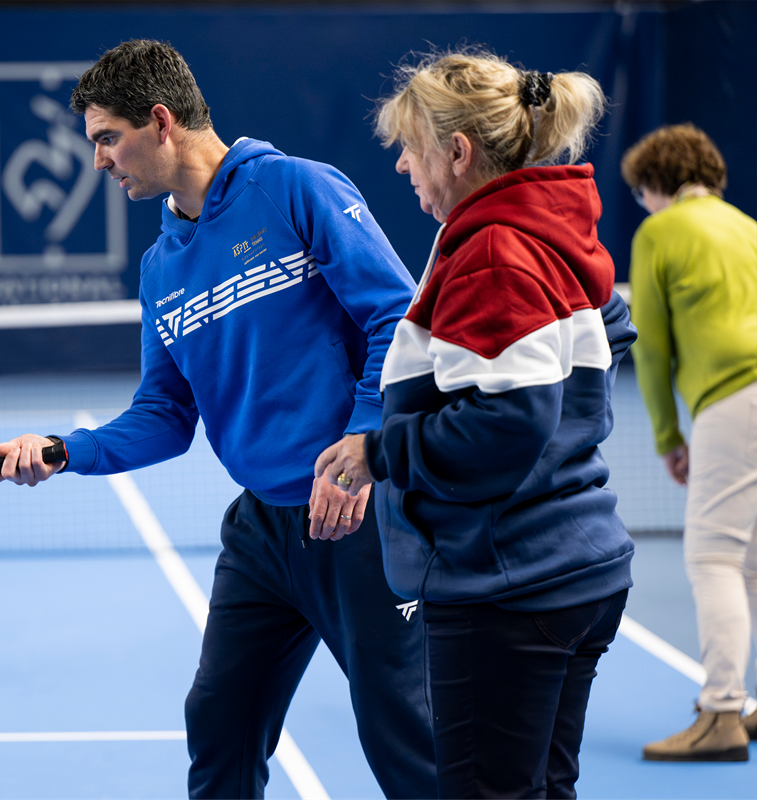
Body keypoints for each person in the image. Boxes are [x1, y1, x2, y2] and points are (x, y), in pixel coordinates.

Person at [0, 39, 435, 800]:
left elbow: (398, 316)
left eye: (106, 138)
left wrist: (361, 442)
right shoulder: (162, 268)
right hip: (262, 534)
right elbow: (163, 415)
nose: (98, 161)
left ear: (159, 122)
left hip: (360, 521)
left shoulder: (296, 190)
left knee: (406, 740)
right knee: (219, 722)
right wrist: (66, 449)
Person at [315, 51, 637, 798]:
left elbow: (505, 423)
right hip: (571, 562)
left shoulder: (492, 250)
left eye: (411, 146)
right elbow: (607, 332)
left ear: (456, 153)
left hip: (509, 583)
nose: (401, 165)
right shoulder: (553, 230)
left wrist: (377, 450)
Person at [620, 123, 757, 761]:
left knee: (712, 559)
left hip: (734, 397)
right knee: (751, 562)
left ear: (654, 185)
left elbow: (649, 348)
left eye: (641, 193)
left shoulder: (660, 231)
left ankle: (723, 713)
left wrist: (670, 436)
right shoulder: (745, 225)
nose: (642, 205)